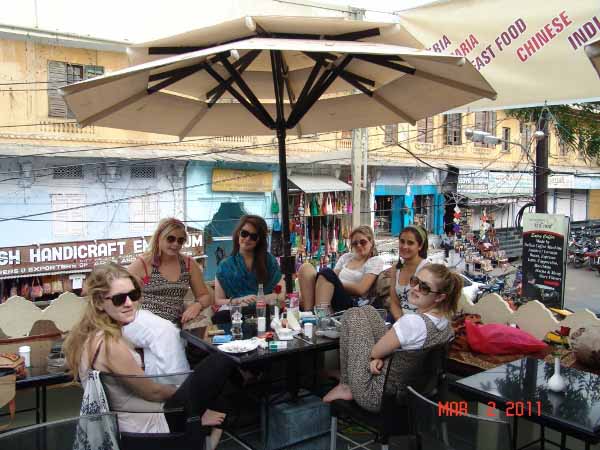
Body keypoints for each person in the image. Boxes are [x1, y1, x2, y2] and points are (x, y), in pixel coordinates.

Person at [64, 263, 235, 441]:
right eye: (119, 299)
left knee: (218, 387)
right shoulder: (111, 346)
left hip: (133, 419)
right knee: (222, 361)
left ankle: (203, 425)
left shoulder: (91, 335)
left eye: (133, 295)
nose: (129, 303)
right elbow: (152, 392)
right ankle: (201, 423)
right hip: (146, 426)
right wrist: (186, 395)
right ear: (99, 303)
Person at [323, 264, 462, 412]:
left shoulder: (412, 323)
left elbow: (375, 352)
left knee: (354, 315)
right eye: (415, 281)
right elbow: (405, 354)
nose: (415, 288)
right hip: (414, 393)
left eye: (424, 288)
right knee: (367, 310)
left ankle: (346, 385)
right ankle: (346, 383)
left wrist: (377, 358)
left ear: (440, 297)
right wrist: (379, 358)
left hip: (377, 396)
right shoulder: (446, 324)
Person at [127, 217, 212, 325]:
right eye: (170, 239)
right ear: (159, 237)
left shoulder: (188, 264)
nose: (176, 244)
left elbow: (204, 296)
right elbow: (120, 290)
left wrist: (197, 305)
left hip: (174, 324)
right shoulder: (144, 263)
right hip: (145, 324)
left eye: (180, 240)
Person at [298, 225, 384, 312]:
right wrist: (327, 284)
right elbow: (332, 277)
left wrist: (334, 283)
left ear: (371, 242)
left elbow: (361, 289)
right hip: (334, 293)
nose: (359, 245)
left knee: (326, 273)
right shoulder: (346, 257)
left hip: (352, 301)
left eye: (363, 242)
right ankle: (308, 314)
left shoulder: (375, 261)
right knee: (306, 268)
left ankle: (322, 318)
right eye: (355, 243)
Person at [214, 215, 285, 309]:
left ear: (259, 240)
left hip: (267, 315)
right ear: (238, 233)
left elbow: (281, 294)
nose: (247, 239)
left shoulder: (269, 261)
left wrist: (259, 299)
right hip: (236, 317)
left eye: (253, 236)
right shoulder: (224, 266)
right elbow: (218, 301)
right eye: (244, 233)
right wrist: (239, 300)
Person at [388, 225, 429, 320]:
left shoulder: (427, 269)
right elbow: (394, 302)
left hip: (421, 322)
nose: (404, 246)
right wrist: (401, 322)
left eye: (410, 243)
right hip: (399, 320)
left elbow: (429, 305)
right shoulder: (395, 268)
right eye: (402, 241)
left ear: (420, 246)